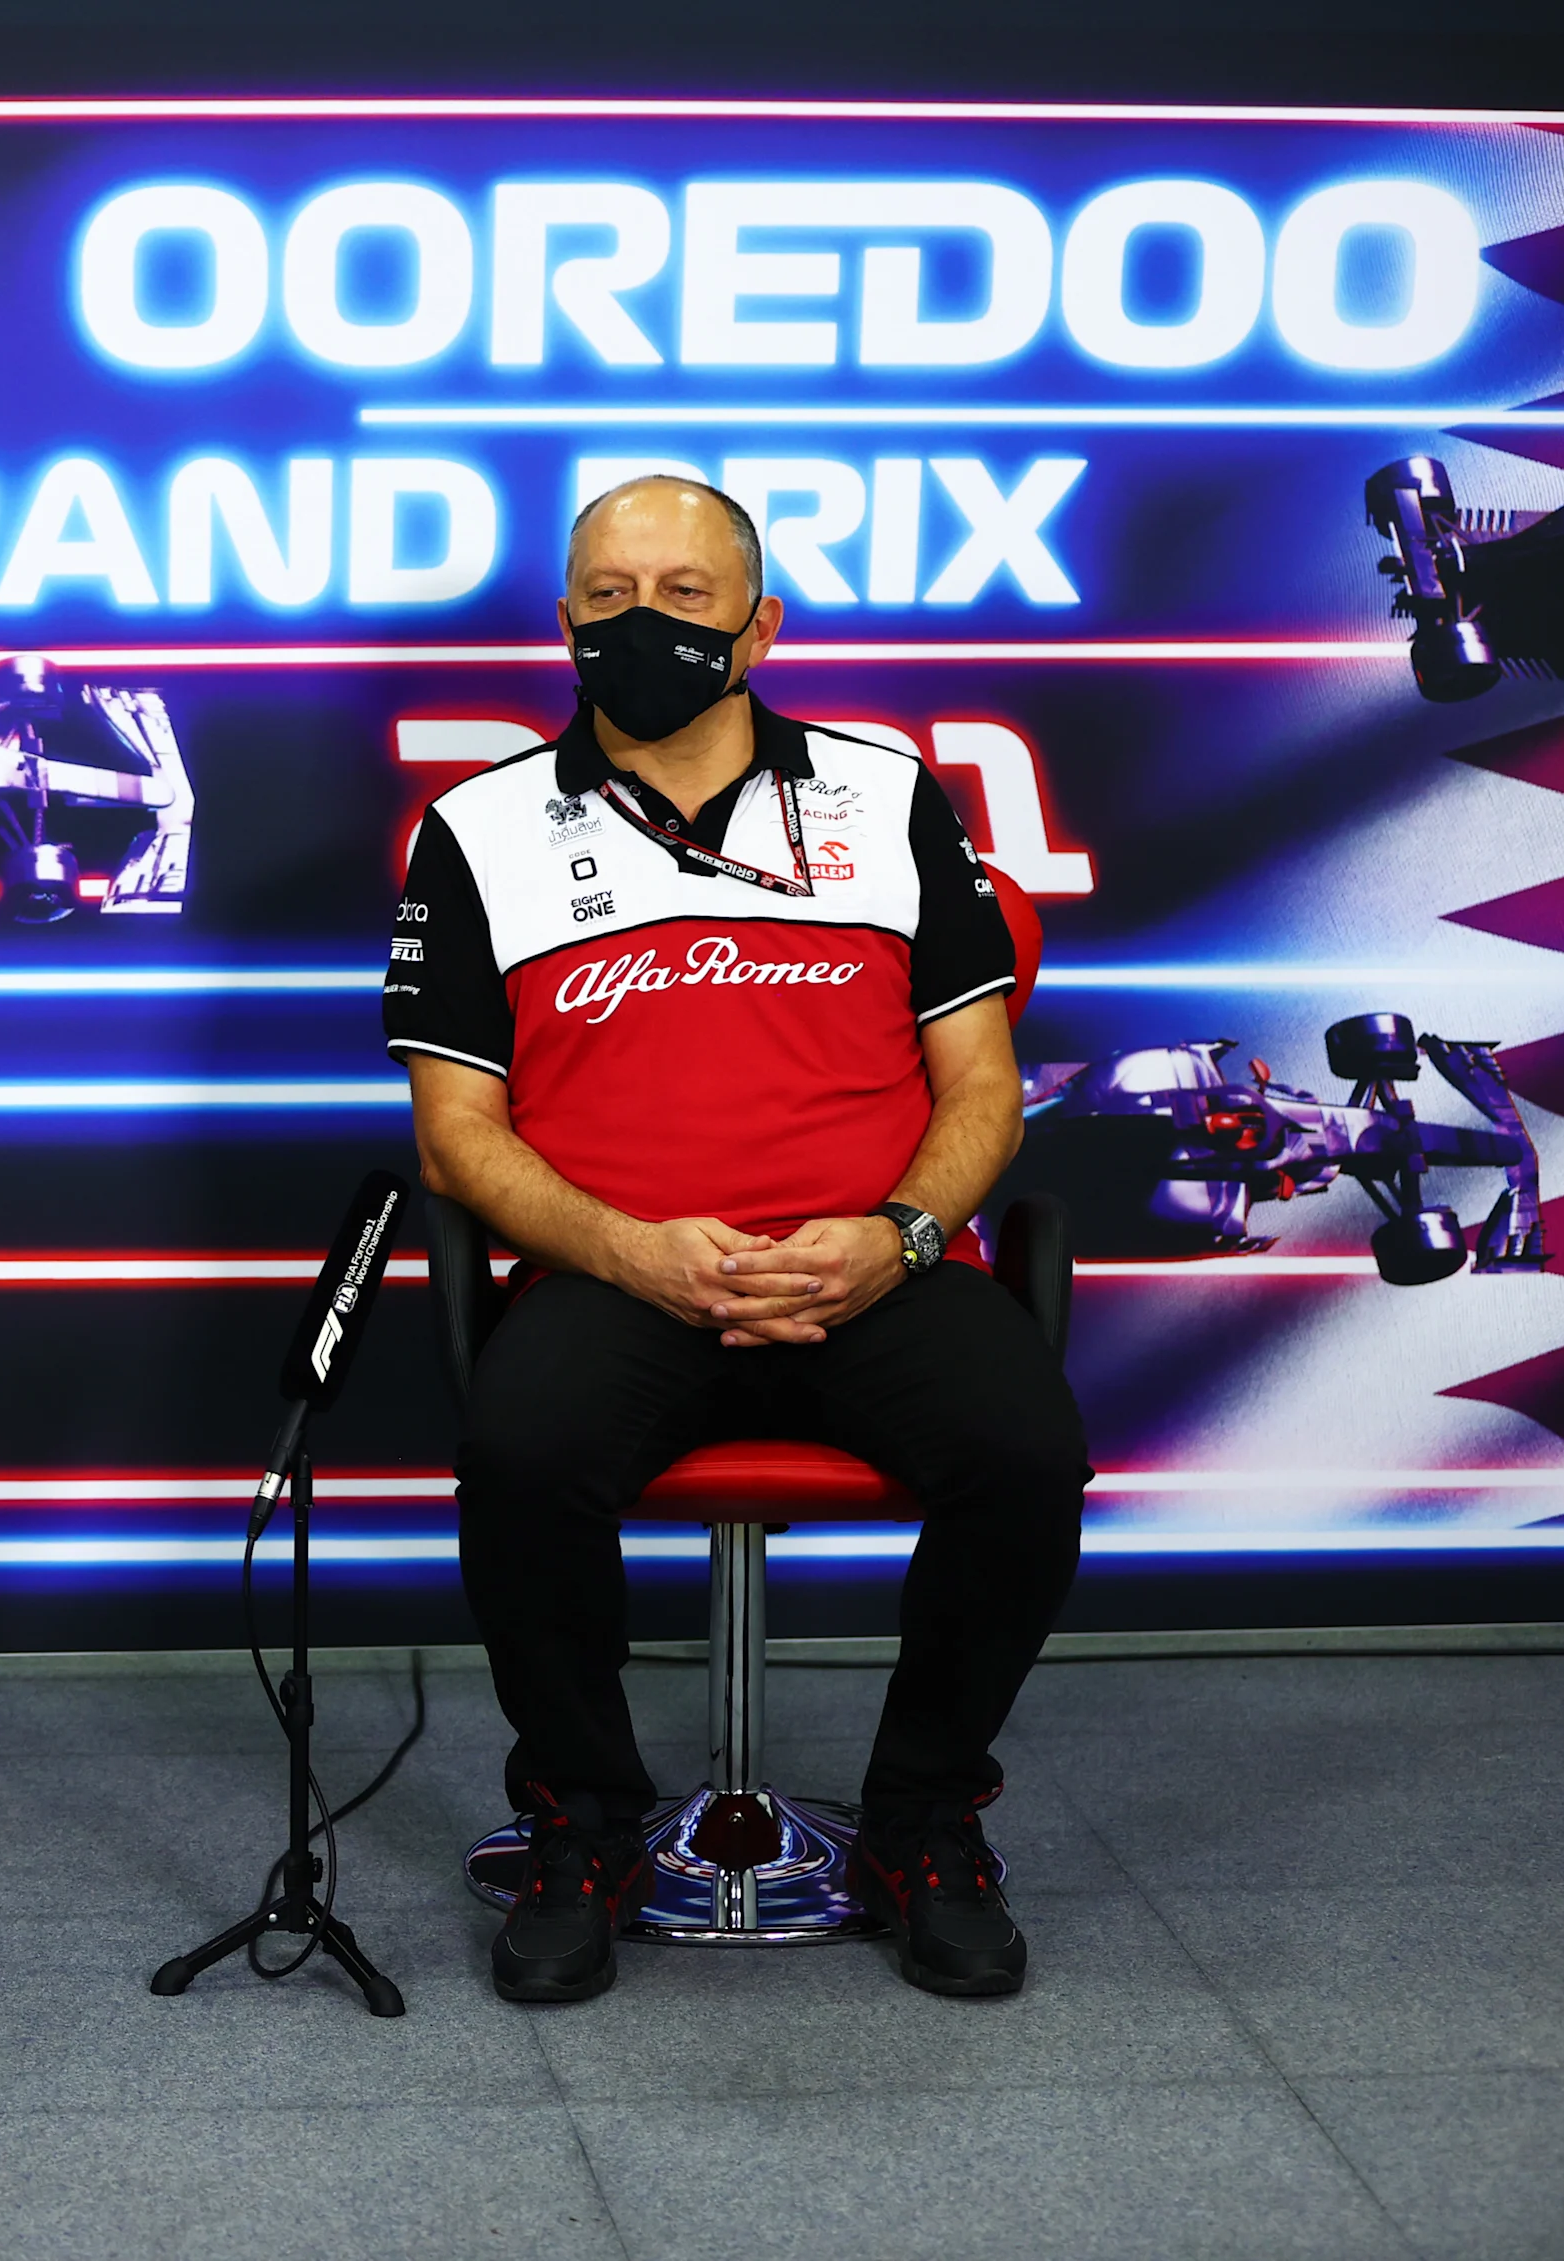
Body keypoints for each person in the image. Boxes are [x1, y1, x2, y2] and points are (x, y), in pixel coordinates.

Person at [384, 476, 1088, 2004]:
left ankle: (923, 1820)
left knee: (1028, 1454)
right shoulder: (478, 828)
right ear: (565, 621)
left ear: (760, 627)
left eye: (685, 594)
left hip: (871, 1268)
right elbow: (457, 1138)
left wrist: (899, 1235)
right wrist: (634, 1252)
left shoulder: (890, 799)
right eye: (608, 596)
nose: (642, 622)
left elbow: (984, 1089)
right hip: (616, 1273)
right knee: (520, 1452)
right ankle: (581, 1824)